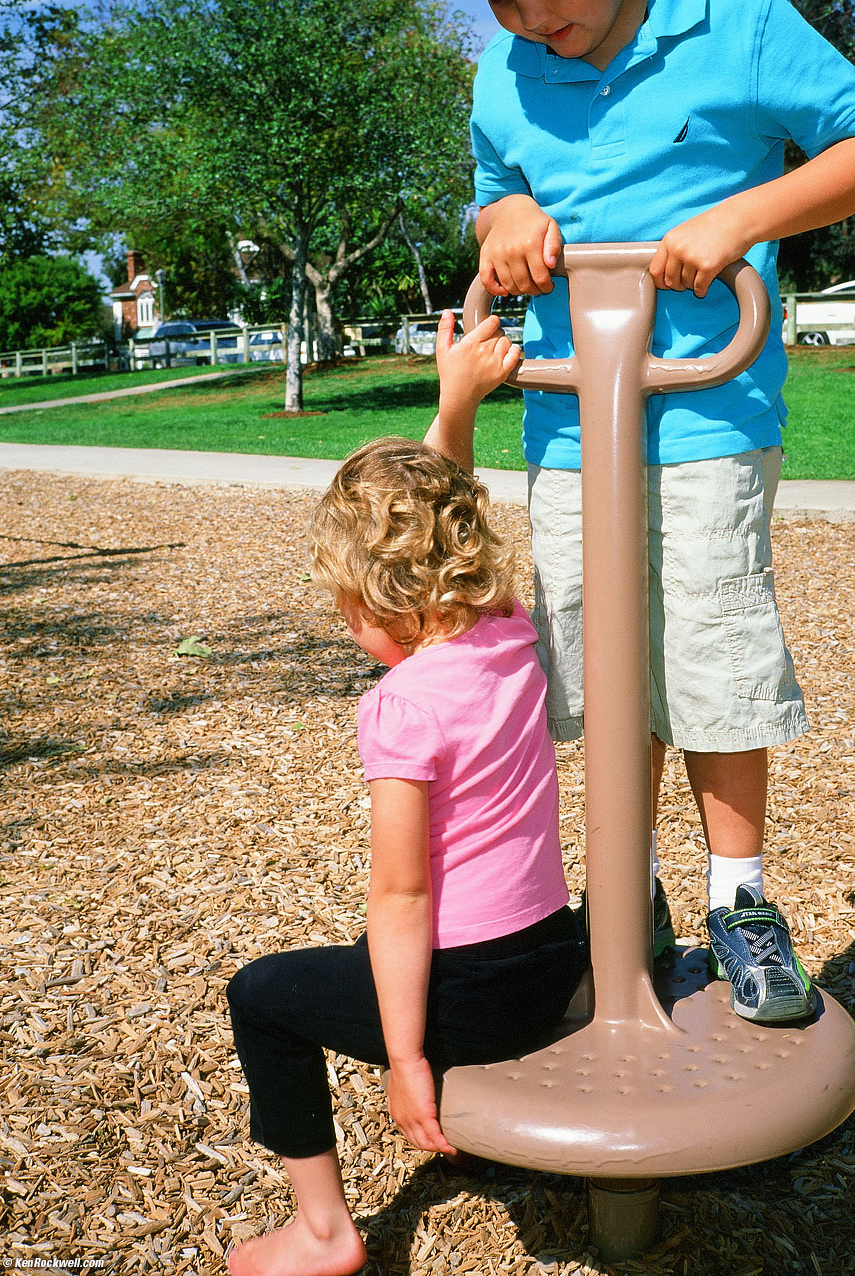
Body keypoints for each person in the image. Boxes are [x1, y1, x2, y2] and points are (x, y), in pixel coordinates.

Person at [435, 0, 855, 1024]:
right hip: (564, 420)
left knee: (710, 645)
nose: (532, 20)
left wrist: (741, 218)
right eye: (499, 0)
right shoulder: (505, 72)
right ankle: (623, 892)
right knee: (595, 660)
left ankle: (740, 896)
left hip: (706, 405)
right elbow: (496, 194)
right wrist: (508, 224)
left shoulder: (737, 19)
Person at [226, 314, 585, 1276]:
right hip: (555, 961)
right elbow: (444, 499)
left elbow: (402, 896)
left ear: (378, 602)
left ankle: (322, 1231)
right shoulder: (509, 628)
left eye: (347, 610)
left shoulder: (401, 707)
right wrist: (455, 400)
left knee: (262, 996)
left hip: (469, 992)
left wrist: (409, 1056)